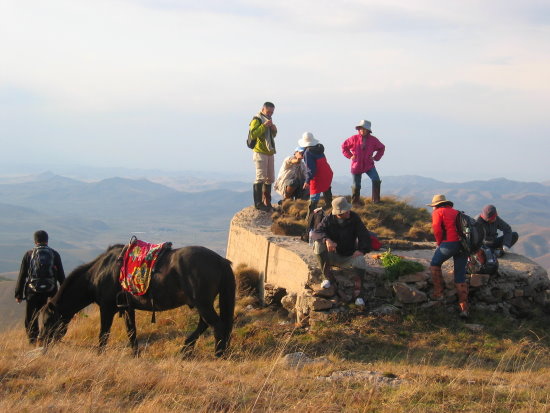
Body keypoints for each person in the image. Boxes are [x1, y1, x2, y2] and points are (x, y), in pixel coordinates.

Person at [312, 197, 372, 303]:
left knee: (360, 260)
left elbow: (364, 235)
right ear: (339, 213)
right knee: (318, 244)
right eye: (346, 210)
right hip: (331, 256)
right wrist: (327, 240)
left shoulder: (354, 218)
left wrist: (362, 250)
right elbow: (316, 233)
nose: (349, 211)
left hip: (349, 256)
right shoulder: (328, 219)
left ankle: (358, 295)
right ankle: (327, 277)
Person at [15, 230, 65, 344]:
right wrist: (63, 294)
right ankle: (47, 338)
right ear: (47, 240)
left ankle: (33, 341)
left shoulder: (29, 254)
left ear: (35, 241)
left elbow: (22, 275)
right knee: (50, 315)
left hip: (32, 291)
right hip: (51, 291)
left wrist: (18, 294)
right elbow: (61, 276)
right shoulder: (54, 254)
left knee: (31, 318)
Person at [427, 195, 469, 318]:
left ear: (436, 205)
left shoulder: (438, 212)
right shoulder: (456, 212)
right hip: (463, 245)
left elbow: (437, 229)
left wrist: (439, 243)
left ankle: (438, 293)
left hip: (449, 243)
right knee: (460, 275)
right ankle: (464, 309)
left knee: (435, 263)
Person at [341, 120, 385, 204]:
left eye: (364, 129)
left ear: (368, 130)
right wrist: (350, 156)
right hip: (356, 165)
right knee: (356, 185)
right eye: (361, 128)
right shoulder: (353, 138)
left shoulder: (373, 140)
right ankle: (355, 203)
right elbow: (344, 147)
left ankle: (376, 201)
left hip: (369, 164)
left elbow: (381, 148)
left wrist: (376, 157)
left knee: (376, 180)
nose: (362, 130)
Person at [298, 132, 333, 219]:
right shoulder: (319, 149)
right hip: (327, 173)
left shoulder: (307, 152)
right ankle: (329, 208)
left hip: (318, 176)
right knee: (326, 189)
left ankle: (309, 219)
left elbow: (311, 169)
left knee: (313, 199)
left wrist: (307, 181)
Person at [249, 102, 277, 211]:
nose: (270, 114)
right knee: (260, 177)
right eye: (268, 111)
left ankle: (267, 202)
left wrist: (274, 130)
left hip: (269, 151)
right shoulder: (257, 119)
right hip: (260, 151)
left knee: (270, 178)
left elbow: (271, 136)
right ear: (263, 109)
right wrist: (263, 126)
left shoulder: (268, 119)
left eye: (272, 112)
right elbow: (253, 134)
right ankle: (258, 203)